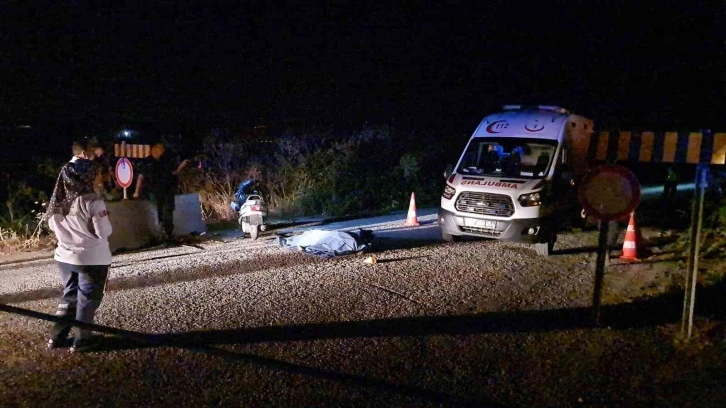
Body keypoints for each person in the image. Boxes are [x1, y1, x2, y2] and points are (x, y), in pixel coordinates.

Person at [45, 143, 112, 352]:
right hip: (91, 258)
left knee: (69, 296)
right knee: (87, 300)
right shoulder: (92, 201)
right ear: (87, 178)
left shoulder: (58, 200)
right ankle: (83, 340)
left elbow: (51, 224)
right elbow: (104, 232)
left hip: (64, 257)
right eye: (96, 175)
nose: (98, 178)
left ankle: (57, 337)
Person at [132, 141, 190, 243]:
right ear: (154, 149)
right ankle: (161, 234)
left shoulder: (166, 160)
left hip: (168, 190)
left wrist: (182, 165)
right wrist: (137, 191)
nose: (162, 151)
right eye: (160, 149)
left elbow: (174, 172)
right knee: (158, 212)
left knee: (168, 211)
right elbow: (141, 177)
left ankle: (168, 233)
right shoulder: (146, 162)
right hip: (154, 191)